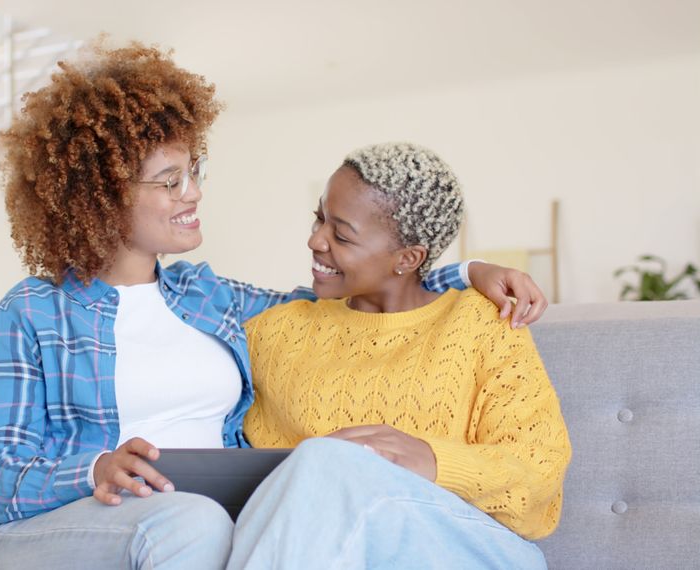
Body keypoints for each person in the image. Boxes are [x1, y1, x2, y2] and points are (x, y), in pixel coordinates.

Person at [0, 43, 547, 570]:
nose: (194, 193)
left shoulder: (208, 296)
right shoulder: (31, 314)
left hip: (208, 517)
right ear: (100, 198)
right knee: (193, 525)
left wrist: (465, 271)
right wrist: (95, 468)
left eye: (194, 171)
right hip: (72, 522)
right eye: (169, 180)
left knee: (211, 523)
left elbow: (342, 291)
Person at [232, 142, 572, 569]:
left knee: (325, 458)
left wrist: (431, 459)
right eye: (319, 218)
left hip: (471, 548)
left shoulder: (481, 323)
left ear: (408, 258)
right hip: (326, 547)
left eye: (341, 234)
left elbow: (538, 472)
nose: (315, 240)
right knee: (322, 465)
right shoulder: (277, 330)